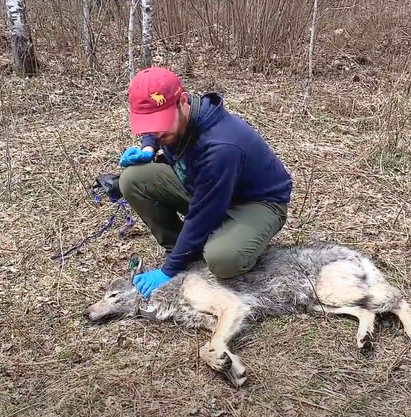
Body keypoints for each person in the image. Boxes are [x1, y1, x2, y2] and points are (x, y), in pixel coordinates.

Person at [119, 67, 293, 298]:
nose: (157, 131)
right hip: (203, 186)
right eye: (150, 123)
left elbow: (204, 214)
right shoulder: (176, 118)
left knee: (223, 259)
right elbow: (155, 128)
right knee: (133, 179)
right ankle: (184, 252)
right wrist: (149, 146)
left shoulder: (221, 147)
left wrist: (168, 270)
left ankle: (192, 252)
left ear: (183, 101)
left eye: (161, 122)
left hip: (258, 203)